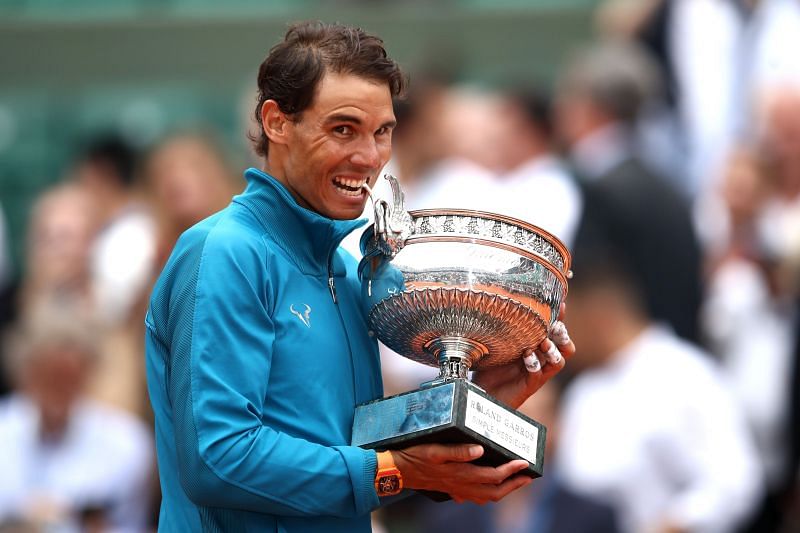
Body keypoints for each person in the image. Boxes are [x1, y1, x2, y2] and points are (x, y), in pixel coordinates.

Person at [144, 21, 574, 532]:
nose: (369, 158)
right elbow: (219, 457)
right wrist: (395, 472)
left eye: (382, 132)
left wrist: (477, 404)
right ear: (277, 122)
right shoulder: (224, 254)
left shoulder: (348, 269)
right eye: (343, 129)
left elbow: (355, 451)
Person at [554, 251, 762, 533]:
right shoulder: (581, 391)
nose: (560, 334)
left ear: (598, 314)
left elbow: (735, 481)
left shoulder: (684, 373)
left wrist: (674, 523)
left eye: (567, 321)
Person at [0, 305, 154, 532]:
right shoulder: (5, 426)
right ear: (26, 372)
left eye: (68, 378)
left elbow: (132, 523)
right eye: (48, 376)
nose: (58, 391)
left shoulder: (127, 442)